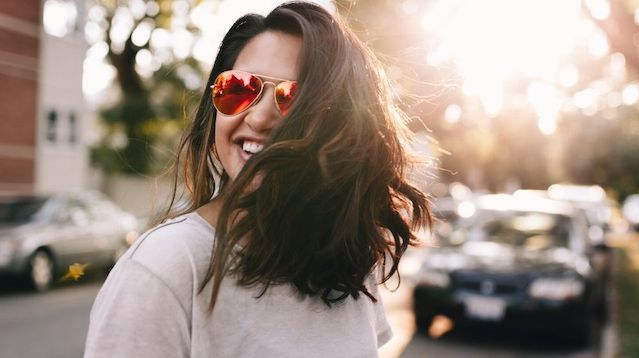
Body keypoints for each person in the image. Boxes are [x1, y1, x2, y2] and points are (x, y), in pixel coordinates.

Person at [84, 2, 431, 357]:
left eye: (295, 98)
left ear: (344, 128)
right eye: (239, 88)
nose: (259, 117)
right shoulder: (164, 266)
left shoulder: (345, 265)